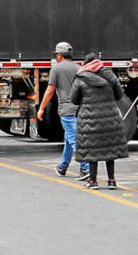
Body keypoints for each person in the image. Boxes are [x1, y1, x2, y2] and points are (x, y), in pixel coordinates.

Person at [70, 53, 129, 190]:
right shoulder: (110, 76)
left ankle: (93, 181)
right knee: (110, 150)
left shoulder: (81, 78)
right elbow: (119, 95)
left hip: (89, 119)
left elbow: (74, 99)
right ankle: (111, 181)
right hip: (110, 117)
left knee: (92, 150)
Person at [37, 42, 88, 179]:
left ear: (59, 55)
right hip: (80, 109)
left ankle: (86, 168)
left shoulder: (56, 69)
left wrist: (41, 108)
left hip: (67, 110)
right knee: (68, 139)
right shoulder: (79, 68)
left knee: (73, 138)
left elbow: (50, 90)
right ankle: (63, 167)